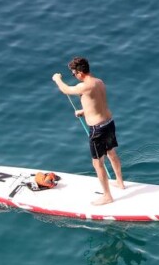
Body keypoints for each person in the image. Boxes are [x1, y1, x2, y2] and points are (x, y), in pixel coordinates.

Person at [52, 56, 125, 205]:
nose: (74, 76)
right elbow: (97, 103)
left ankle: (107, 196)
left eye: (74, 74)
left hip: (98, 130)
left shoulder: (83, 86)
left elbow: (66, 90)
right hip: (109, 123)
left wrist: (57, 79)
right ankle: (120, 183)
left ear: (79, 73)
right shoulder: (99, 82)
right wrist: (83, 111)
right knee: (111, 153)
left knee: (97, 163)